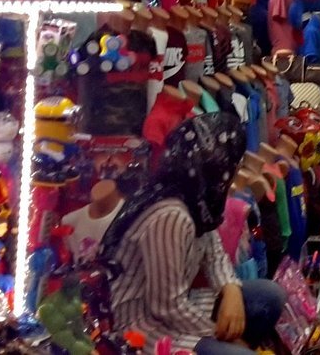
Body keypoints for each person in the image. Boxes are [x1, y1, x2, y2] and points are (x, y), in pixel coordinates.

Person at [100, 113, 286, 354]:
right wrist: (220, 336)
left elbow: (215, 252)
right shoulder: (171, 215)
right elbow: (166, 306)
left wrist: (230, 289)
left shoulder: (197, 198)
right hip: (144, 326)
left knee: (269, 295)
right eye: (233, 164)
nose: (235, 171)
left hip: (179, 307)